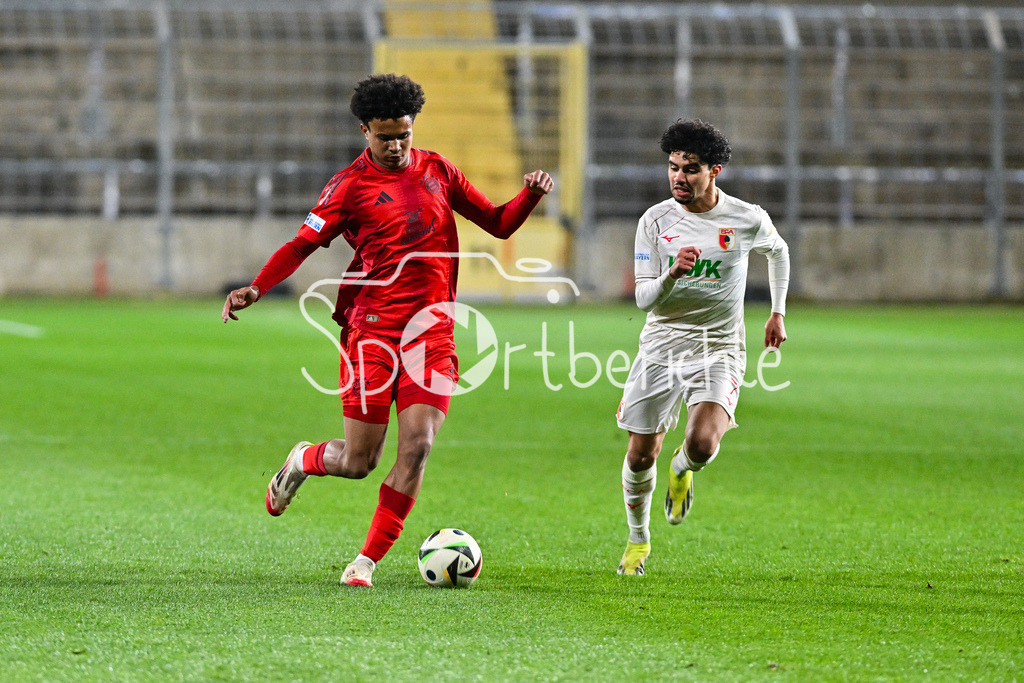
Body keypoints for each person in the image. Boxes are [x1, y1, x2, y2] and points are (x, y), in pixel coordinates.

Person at [222, 73, 553, 587]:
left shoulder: (438, 170)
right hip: (372, 335)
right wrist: (257, 287)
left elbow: (498, 223)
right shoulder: (348, 187)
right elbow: (300, 244)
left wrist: (528, 196)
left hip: (433, 333)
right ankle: (303, 459)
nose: (396, 146)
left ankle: (365, 562)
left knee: (418, 446)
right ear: (365, 131)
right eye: (385, 137)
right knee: (359, 462)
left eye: (404, 134)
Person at [614, 119, 789, 575]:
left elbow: (779, 252)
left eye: (690, 169)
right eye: (673, 167)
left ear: (715, 171)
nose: (679, 177)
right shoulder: (655, 221)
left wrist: (777, 311)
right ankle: (638, 541)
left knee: (704, 444)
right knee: (640, 454)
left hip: (720, 346)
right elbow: (643, 298)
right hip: (662, 345)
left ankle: (682, 469)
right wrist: (672, 274)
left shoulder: (746, 218)